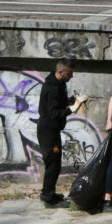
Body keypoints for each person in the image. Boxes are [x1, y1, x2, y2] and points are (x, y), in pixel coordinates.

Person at [37, 59, 86, 207]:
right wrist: (73, 108)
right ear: (60, 72)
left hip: (53, 130)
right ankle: (49, 199)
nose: (71, 76)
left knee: (55, 163)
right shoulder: (51, 87)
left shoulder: (59, 84)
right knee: (53, 164)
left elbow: (59, 103)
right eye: (69, 74)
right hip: (48, 131)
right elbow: (53, 113)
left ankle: (48, 193)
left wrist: (71, 100)